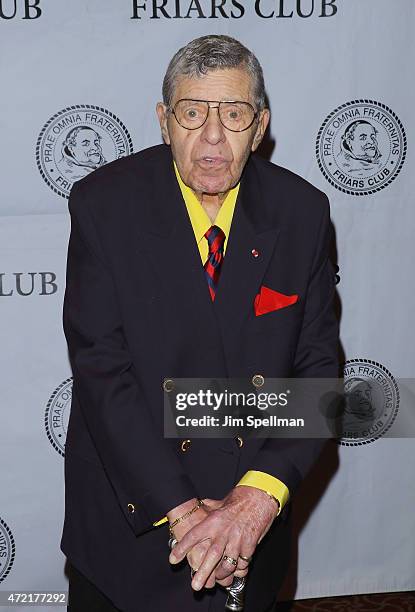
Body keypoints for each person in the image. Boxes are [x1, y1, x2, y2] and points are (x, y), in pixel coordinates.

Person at [62, 34, 339, 612]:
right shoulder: (102, 206)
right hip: (135, 523)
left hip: (251, 529)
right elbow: (103, 373)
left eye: (234, 114)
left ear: (259, 126)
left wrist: (257, 499)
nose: (212, 138)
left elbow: (318, 374)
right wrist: (187, 514)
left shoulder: (303, 212)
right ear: (165, 121)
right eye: (193, 113)